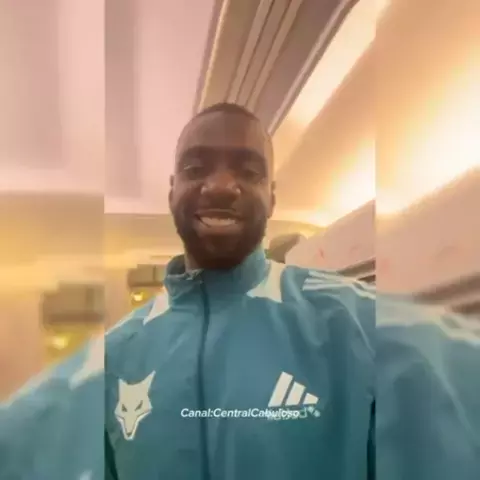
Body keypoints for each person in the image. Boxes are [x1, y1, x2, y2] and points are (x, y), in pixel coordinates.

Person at [1, 103, 479, 480]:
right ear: (172, 190)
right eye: (196, 167)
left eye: (248, 171)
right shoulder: (114, 360)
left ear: (272, 196)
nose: (220, 186)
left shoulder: (361, 327)